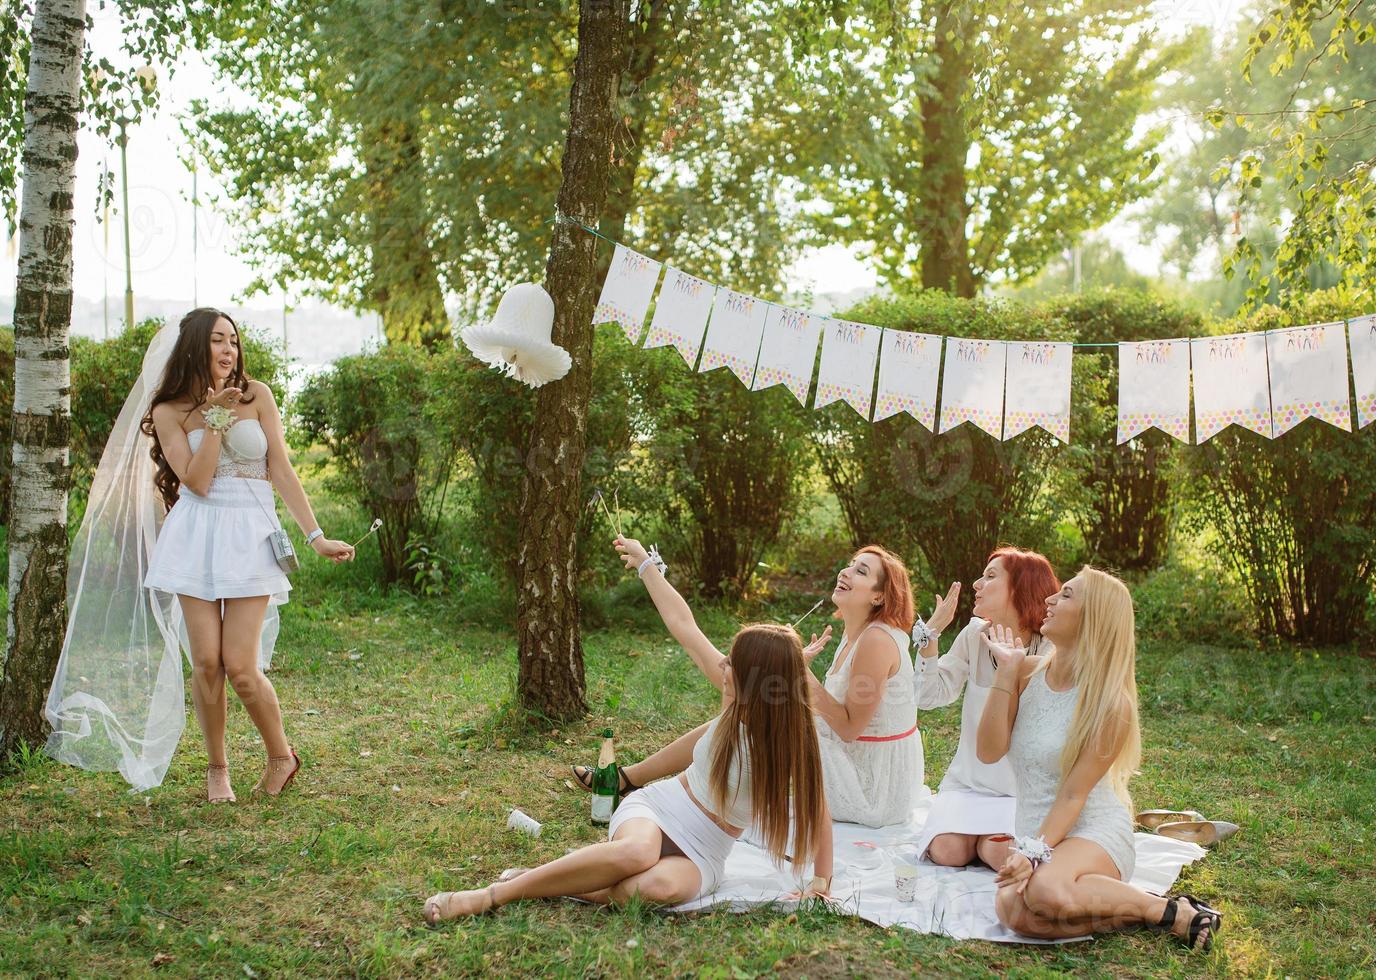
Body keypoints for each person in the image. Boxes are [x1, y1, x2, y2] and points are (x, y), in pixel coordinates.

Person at [422, 537, 832, 923]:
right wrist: (646, 565)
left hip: (707, 850)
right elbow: (684, 625)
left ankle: (559, 880)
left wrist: (819, 884)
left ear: (757, 680)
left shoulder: (792, 741)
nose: (723, 664)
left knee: (658, 886)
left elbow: (820, 815)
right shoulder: (733, 698)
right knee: (637, 853)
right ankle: (493, 894)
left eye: (733, 662)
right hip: (662, 809)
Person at [45, 308, 356, 800]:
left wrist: (315, 536)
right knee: (206, 663)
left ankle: (282, 756)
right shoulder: (169, 412)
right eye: (217, 340)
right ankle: (218, 768)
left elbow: (280, 467)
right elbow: (196, 480)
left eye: (233, 340)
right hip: (196, 535)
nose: (229, 350)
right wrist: (213, 419)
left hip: (250, 536)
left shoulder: (259, 397)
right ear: (194, 347)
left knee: (240, 665)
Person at [569, 545, 923, 828]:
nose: (846, 571)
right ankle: (631, 779)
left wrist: (800, 675)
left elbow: (849, 728)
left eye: (862, 571)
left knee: (748, 698)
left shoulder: (876, 640)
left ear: (879, 597)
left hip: (872, 788)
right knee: (746, 693)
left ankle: (633, 781)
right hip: (853, 757)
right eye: (850, 564)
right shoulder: (855, 632)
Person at [980, 567, 1223, 950]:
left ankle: (1171, 912)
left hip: (1091, 830)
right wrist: (1006, 673)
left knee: (1044, 892)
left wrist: (1029, 852)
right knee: (1015, 915)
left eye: (1066, 595)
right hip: (1039, 830)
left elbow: (1073, 796)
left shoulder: (1111, 703)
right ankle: (1140, 914)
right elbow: (988, 750)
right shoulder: (1025, 671)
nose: (1050, 600)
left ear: (1094, 618)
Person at [912, 548, 1060, 870]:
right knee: (949, 852)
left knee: (998, 855)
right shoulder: (974, 634)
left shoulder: (1051, 648)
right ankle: (975, 837)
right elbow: (928, 696)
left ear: (1022, 588)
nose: (977, 583)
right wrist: (930, 636)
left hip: (1020, 791)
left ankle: (989, 840)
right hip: (968, 783)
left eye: (991, 576)